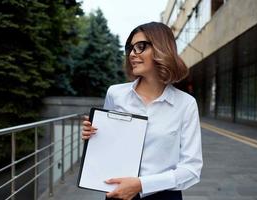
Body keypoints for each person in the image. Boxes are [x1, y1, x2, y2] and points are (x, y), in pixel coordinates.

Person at [81, 22, 203, 200]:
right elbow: (106, 149)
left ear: (162, 49)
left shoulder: (186, 104)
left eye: (140, 47)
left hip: (164, 196)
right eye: (130, 48)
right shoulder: (115, 94)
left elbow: (191, 170)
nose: (132, 54)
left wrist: (141, 184)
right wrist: (92, 136)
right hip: (118, 194)